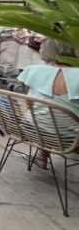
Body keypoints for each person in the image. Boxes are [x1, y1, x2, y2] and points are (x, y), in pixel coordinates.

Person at [17, 38, 79, 169]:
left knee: (47, 116)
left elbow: (30, 104)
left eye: (42, 46)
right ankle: (42, 155)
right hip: (70, 138)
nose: (39, 49)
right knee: (60, 119)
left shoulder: (32, 70)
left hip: (31, 130)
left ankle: (42, 156)